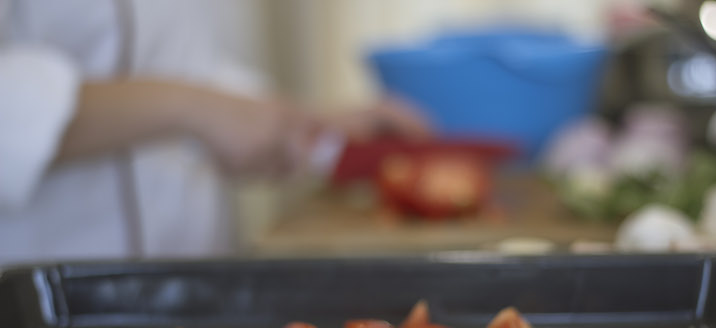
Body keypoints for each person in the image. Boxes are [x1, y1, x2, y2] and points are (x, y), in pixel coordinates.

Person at [0, 0, 428, 265]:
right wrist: (194, 109)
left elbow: (185, 60)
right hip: (41, 306)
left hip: (196, 272)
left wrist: (308, 122)